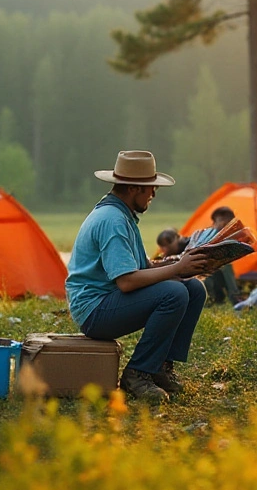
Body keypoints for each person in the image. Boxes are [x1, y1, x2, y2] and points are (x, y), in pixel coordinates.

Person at [67, 150, 208, 404]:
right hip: (94, 310)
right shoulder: (112, 220)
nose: (153, 194)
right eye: (150, 188)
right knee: (174, 293)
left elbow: (143, 266)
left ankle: (160, 368)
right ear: (133, 188)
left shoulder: (123, 215)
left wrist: (182, 264)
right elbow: (127, 281)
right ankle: (138, 373)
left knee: (193, 289)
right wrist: (176, 270)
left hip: (111, 299)